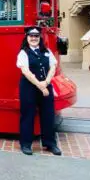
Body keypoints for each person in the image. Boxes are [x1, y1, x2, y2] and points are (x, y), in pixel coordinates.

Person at [16, 26, 62, 156]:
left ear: (39, 38)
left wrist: (46, 82)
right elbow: (26, 71)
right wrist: (41, 86)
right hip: (29, 87)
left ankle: (50, 144)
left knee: (48, 115)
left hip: (45, 85)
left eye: (36, 36)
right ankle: (26, 144)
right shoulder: (23, 53)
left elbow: (53, 66)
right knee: (27, 115)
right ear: (27, 37)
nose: (34, 38)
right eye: (31, 36)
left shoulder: (46, 51)